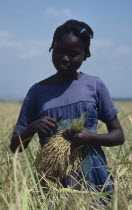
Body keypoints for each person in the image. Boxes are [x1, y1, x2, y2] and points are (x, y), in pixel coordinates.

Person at [10, 20, 125, 194]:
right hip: (53, 182)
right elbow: (15, 147)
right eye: (59, 51)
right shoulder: (37, 92)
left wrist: (90, 137)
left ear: (85, 54)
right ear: (51, 48)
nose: (65, 58)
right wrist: (33, 128)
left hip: (93, 180)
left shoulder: (94, 85)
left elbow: (118, 136)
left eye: (73, 54)